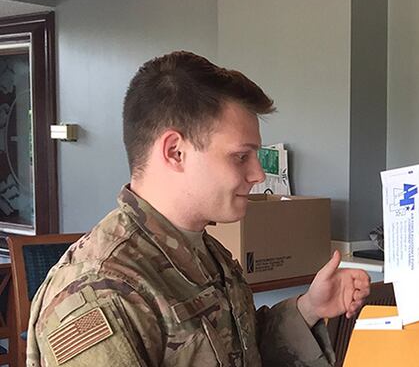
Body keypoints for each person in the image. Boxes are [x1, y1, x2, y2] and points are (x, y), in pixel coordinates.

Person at [27, 51, 371, 367]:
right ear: (176, 152)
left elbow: (237, 347)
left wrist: (309, 307)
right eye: (240, 156)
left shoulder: (205, 250)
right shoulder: (99, 290)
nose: (258, 174)